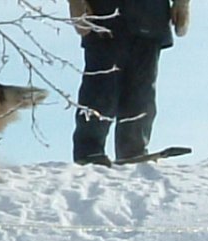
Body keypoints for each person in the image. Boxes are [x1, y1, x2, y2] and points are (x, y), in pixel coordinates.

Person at [69, 0, 190, 167]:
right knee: (101, 91)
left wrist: (182, 3)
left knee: (141, 95)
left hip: (151, 19)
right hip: (105, 18)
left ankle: (133, 150)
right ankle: (90, 151)